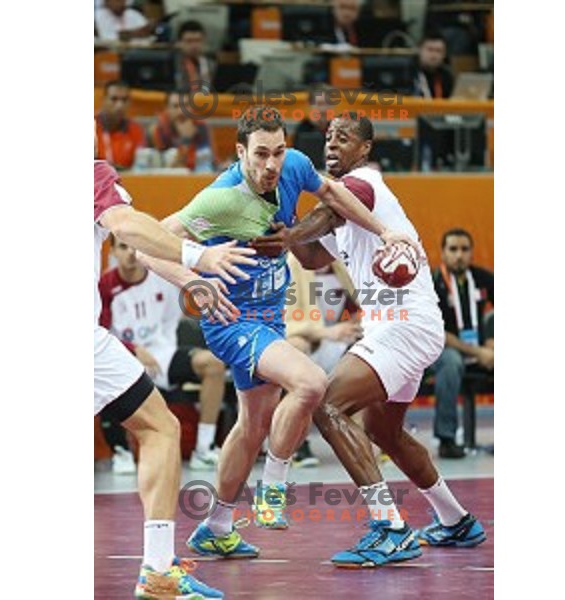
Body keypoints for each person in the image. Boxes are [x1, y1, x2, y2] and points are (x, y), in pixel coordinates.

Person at [136, 105, 405, 559]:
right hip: (232, 320)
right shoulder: (219, 198)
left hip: (271, 316)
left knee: (253, 424)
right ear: (240, 151)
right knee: (311, 383)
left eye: (278, 152)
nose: (271, 165)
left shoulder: (295, 166)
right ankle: (272, 488)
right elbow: (147, 246)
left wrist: (384, 232)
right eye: (260, 154)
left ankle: (217, 526)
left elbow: (336, 196)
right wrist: (195, 279)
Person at [251, 113, 486, 568]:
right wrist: (284, 223)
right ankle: (455, 520)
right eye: (328, 138)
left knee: (326, 404)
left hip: (404, 324)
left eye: (344, 138)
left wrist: (291, 233)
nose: (332, 144)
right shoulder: (342, 211)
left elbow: (320, 218)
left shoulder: (365, 182)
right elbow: (314, 254)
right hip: (397, 327)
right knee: (385, 432)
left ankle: (389, 528)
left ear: (365, 150)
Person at [94, 129, 257, 595]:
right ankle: (159, 569)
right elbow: (127, 226)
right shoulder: (93, 175)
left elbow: (140, 246)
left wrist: (189, 279)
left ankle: (160, 566)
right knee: (159, 428)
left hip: (141, 350)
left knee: (159, 424)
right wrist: (200, 255)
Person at [99, 235, 227, 470]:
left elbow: (192, 287)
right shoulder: (104, 286)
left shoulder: (162, 277)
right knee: (101, 377)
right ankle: (121, 451)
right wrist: (133, 349)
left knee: (213, 363)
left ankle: (204, 448)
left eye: (136, 247)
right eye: (123, 247)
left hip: (162, 356)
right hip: (122, 356)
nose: (130, 253)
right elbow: (99, 333)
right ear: (113, 252)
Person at [286, 253, 363, 467]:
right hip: (310, 342)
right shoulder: (293, 265)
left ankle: (371, 437)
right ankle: (297, 444)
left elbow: (363, 305)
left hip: (339, 343)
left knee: (374, 353)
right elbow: (285, 323)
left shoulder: (340, 266)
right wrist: (325, 333)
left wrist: (357, 324)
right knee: (296, 348)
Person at [430, 228, 494, 458]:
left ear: (471, 252)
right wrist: (478, 351)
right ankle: (446, 439)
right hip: (441, 349)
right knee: (451, 362)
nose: (459, 255)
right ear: (443, 253)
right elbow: (438, 333)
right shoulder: (432, 283)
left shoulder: (482, 278)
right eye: (453, 249)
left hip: (480, 349)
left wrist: (492, 341)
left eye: (464, 249)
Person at [149, 91, 216, 172]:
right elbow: (168, 166)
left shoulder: (201, 127)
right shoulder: (158, 129)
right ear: (167, 109)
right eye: (175, 106)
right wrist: (186, 140)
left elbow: (208, 160)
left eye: (186, 106)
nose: (181, 112)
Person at [95, 80, 145, 170]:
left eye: (124, 100)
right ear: (104, 100)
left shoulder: (136, 129)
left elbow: (141, 166)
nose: (119, 105)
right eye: (114, 99)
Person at [174, 20, 216, 92]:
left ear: (204, 41)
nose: (194, 46)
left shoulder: (212, 65)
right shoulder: (173, 64)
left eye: (198, 40)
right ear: (179, 43)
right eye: (189, 41)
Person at [414, 31, 455, 99]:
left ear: (444, 54)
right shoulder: (409, 72)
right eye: (430, 50)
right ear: (420, 50)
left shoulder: (446, 76)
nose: (434, 55)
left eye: (438, 51)